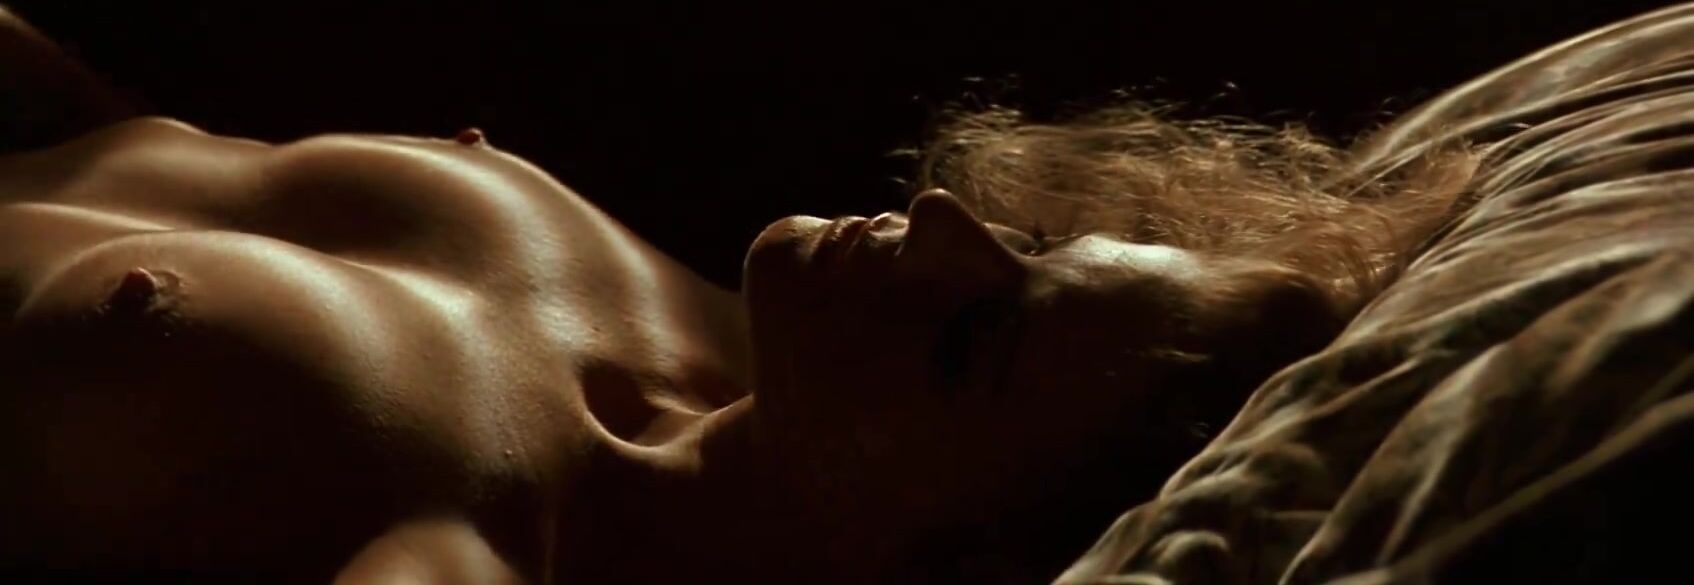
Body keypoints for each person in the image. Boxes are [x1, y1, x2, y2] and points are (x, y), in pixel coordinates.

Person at [0, 7, 1472, 584]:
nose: (946, 225)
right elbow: (153, 164)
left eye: (976, 334)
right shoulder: (711, 327)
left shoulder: (451, 557)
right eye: (1032, 243)